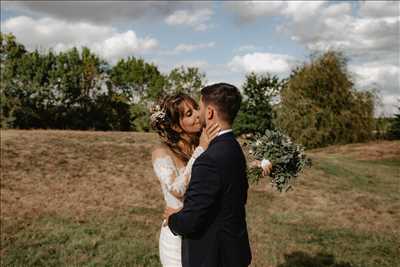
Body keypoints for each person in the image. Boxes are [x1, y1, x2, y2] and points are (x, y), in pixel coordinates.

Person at [151, 90, 272, 267]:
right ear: (177, 126)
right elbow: (177, 190)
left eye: (195, 108)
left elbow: (215, 177)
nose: (198, 115)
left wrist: (249, 169)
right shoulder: (162, 152)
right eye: (189, 113)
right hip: (177, 233)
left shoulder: (205, 143)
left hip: (203, 233)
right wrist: (200, 150)